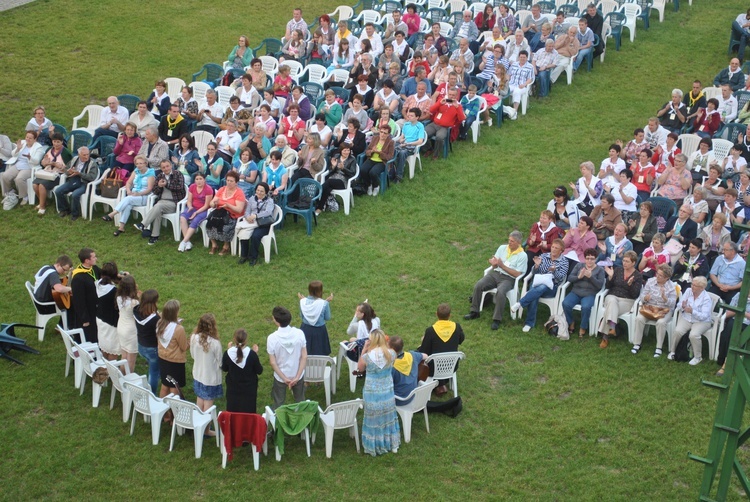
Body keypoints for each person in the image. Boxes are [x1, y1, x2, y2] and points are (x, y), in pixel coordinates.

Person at [465, 230, 528, 330]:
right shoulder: (502, 248)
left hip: (509, 279)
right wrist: (494, 264)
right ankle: (474, 312)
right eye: (509, 240)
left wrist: (502, 266)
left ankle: (496, 319)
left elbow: (517, 274)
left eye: (512, 241)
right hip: (496, 274)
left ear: (518, 243)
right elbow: (495, 265)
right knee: (479, 284)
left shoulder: (523, 255)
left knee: (501, 291)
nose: (509, 242)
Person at [511, 238, 569, 332]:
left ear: (561, 251)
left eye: (556, 248)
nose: (553, 249)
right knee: (535, 293)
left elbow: (561, 278)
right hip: (538, 281)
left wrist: (554, 271)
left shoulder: (564, 262)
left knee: (541, 288)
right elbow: (533, 272)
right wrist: (536, 266)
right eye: (553, 247)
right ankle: (529, 323)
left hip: (551, 288)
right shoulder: (544, 256)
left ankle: (520, 304)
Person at [358, 329, 401, 456]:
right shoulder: (392, 354)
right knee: (388, 417)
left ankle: (374, 446)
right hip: (387, 391)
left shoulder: (366, 357)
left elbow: (360, 369)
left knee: (373, 419)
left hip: (372, 393)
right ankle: (392, 444)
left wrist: (364, 349)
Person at [598, 250, 643, 349]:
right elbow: (608, 286)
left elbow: (635, 295)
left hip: (627, 300)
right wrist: (610, 277)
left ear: (633, 263)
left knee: (611, 308)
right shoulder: (618, 270)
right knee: (612, 302)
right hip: (612, 296)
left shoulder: (638, 276)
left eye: (627, 261)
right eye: (623, 260)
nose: (624, 263)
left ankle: (606, 335)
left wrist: (630, 285)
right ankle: (612, 328)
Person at [135, 159, 186, 245]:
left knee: (158, 206)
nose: (166, 169)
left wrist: (167, 185)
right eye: (163, 167)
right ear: (161, 168)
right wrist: (159, 186)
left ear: (171, 165)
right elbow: (155, 191)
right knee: (158, 209)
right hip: (162, 202)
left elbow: (180, 187)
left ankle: (143, 224)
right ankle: (154, 236)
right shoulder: (159, 176)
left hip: (174, 202)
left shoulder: (178, 174)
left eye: (167, 166)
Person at [418, 303, 465, 395]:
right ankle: (441, 384)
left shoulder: (430, 331)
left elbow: (424, 352)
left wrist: (423, 341)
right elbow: (461, 340)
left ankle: (438, 385)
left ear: (436, 314)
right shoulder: (457, 327)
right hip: (451, 365)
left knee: (417, 354)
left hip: (433, 368)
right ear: (450, 315)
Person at [103, 156, 155, 236]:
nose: (139, 165)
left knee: (128, 199)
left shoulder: (150, 173)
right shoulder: (136, 171)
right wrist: (128, 190)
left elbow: (150, 188)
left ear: (146, 163)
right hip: (133, 195)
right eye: (137, 163)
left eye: (141, 163)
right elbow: (128, 183)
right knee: (128, 204)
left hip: (144, 197)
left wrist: (139, 194)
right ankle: (121, 228)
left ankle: (112, 214)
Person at [632, 264, 677, 357]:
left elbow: (673, 304)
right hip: (650, 308)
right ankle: (637, 344)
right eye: (657, 273)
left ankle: (658, 347)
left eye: (660, 275)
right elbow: (642, 296)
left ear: (667, 278)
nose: (657, 276)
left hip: (664, 310)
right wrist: (645, 298)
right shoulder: (650, 281)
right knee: (639, 319)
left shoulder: (671, 286)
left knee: (661, 323)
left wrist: (665, 298)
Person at [267, 306, 307, 410]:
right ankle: (302, 423)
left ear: (276, 321)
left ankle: (277, 422)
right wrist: (297, 377)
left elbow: (273, 362)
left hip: (280, 376)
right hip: (297, 373)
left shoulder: (272, 338)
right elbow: (304, 356)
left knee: (278, 403)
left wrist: (284, 378)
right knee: (300, 401)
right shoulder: (300, 333)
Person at [562, 248, 605, 338]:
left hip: (589, 293)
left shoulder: (600, 270)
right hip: (576, 291)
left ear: (596, 259)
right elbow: (570, 278)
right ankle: (571, 322)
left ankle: (583, 327)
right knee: (565, 303)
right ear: (585, 259)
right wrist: (579, 277)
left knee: (586, 307)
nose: (589, 260)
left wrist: (591, 277)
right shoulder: (579, 265)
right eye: (587, 258)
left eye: (592, 258)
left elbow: (600, 285)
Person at [669, 276, 713, 365]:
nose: (692, 286)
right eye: (692, 284)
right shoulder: (688, 291)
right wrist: (683, 306)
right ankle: (672, 351)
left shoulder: (706, 298)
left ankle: (698, 357)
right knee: (678, 331)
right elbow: (679, 304)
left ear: (701, 288)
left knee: (694, 335)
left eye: (695, 285)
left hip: (702, 321)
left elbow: (704, 316)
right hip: (687, 317)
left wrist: (693, 311)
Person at [222, 329, 263, 413]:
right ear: (246, 340)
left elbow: (224, 368)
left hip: (233, 390)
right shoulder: (252, 355)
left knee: (233, 412)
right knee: (248, 413)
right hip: (249, 391)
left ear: (234, 340)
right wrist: (255, 354)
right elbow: (259, 370)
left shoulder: (228, 353)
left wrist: (229, 351)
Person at [190, 313, 223, 416]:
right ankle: (205, 429)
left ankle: (198, 425)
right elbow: (220, 362)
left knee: (200, 398)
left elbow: (192, 355)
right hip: (210, 378)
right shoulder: (215, 343)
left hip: (198, 374)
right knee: (208, 403)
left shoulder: (194, 338)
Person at [52, 146, 97, 220]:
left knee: (75, 194)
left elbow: (92, 177)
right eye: (84, 155)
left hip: (85, 183)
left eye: (88, 154)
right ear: (79, 155)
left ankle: (75, 214)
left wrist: (79, 173)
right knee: (58, 191)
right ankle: (65, 209)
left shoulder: (92, 163)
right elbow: (66, 168)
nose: (87, 157)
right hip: (73, 180)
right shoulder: (75, 159)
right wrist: (68, 172)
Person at [207, 171, 246, 256]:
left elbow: (239, 210)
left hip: (232, 215)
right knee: (209, 223)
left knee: (225, 226)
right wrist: (214, 203)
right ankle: (214, 244)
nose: (229, 182)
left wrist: (228, 205)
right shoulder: (222, 189)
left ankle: (226, 246)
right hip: (219, 213)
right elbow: (211, 203)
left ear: (236, 182)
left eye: (231, 181)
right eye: (228, 180)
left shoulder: (239, 193)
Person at [1, 130, 45, 205]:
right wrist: (18, 149)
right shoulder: (23, 142)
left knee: (19, 179)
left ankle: (25, 196)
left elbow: (37, 161)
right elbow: (13, 154)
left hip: (29, 166)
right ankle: (10, 192)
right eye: (27, 137)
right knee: (5, 176)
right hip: (18, 164)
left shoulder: (39, 148)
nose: (27, 139)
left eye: (30, 138)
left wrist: (30, 157)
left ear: (35, 139)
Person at [235, 182, 274, 266]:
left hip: (263, 224)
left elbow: (268, 212)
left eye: (262, 191)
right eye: (258, 190)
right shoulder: (252, 199)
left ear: (266, 192)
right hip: (251, 222)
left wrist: (255, 216)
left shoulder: (269, 201)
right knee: (243, 233)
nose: (259, 193)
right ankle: (244, 255)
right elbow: (247, 211)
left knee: (255, 236)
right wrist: (248, 217)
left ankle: (253, 257)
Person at [157, 299, 188, 399]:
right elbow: (184, 347)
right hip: (175, 362)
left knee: (165, 385)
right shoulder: (179, 329)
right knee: (174, 388)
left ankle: (164, 412)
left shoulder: (159, 323)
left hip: (163, 359)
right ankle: (174, 412)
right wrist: (191, 339)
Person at [33, 132, 71, 215]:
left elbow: (69, 169)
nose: (56, 144)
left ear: (62, 142)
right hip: (47, 172)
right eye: (54, 141)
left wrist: (59, 166)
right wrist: (44, 162)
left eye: (58, 142)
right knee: (35, 185)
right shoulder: (49, 149)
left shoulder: (66, 152)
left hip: (58, 175)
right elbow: (42, 163)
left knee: (42, 185)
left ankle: (42, 207)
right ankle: (43, 202)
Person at [424, 88, 466, 160]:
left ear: (456, 96)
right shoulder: (442, 101)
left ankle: (435, 154)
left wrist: (457, 107)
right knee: (423, 133)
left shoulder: (458, 106)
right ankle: (429, 149)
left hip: (445, 127)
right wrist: (439, 103)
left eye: (453, 95)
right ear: (447, 94)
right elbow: (431, 110)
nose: (451, 96)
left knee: (439, 137)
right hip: (434, 124)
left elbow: (462, 119)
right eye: (450, 94)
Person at [177, 172, 213, 252]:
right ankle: (188, 241)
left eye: (200, 179)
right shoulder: (192, 187)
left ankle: (183, 242)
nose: (199, 181)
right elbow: (189, 201)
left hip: (203, 210)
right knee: (183, 217)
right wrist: (190, 207)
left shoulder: (208, 189)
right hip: (193, 208)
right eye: (197, 179)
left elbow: (206, 205)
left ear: (204, 180)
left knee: (195, 220)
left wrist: (196, 213)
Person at [70, 248, 101, 344]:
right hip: (87, 312)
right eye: (94, 257)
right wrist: (85, 319)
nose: (96, 258)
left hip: (95, 308)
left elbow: (105, 275)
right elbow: (78, 300)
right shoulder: (78, 278)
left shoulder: (94, 269)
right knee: (88, 336)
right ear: (87, 260)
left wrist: (119, 277)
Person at [316, 145, 356, 215]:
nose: (347, 152)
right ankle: (319, 208)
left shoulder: (352, 159)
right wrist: (333, 166)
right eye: (345, 150)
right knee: (327, 188)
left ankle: (315, 195)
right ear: (341, 151)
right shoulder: (337, 157)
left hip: (343, 181)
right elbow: (330, 171)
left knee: (328, 182)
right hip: (333, 179)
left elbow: (352, 174)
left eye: (348, 150)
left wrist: (343, 168)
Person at [134, 289, 161, 393]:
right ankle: (151, 394)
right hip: (152, 349)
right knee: (154, 373)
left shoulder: (135, 310)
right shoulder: (155, 319)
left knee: (153, 369)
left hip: (141, 346)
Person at [32, 255, 73, 322]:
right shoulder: (53, 274)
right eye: (64, 270)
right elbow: (59, 289)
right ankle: (63, 326)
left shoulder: (46, 267)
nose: (65, 272)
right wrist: (70, 289)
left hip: (38, 300)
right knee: (71, 304)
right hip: (45, 306)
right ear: (58, 265)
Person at [298, 280, 333, 356]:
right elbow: (327, 317)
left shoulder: (302, 302)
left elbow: (302, 316)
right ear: (320, 291)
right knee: (320, 351)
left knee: (304, 351)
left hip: (305, 329)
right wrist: (326, 302)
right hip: (319, 331)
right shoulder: (324, 303)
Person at [358, 125, 394, 196]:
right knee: (363, 170)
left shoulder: (390, 142)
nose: (382, 134)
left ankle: (376, 186)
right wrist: (372, 151)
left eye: (385, 133)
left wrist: (380, 153)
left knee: (373, 172)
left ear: (388, 134)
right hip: (371, 159)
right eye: (381, 132)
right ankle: (369, 185)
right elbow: (367, 150)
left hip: (382, 162)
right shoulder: (375, 138)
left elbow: (389, 157)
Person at [388, 336, 426, 404]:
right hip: (412, 395)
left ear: (392, 349)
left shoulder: (391, 366)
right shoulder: (412, 355)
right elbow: (425, 356)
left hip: (398, 399)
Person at [95, 262, 120, 360]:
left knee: (104, 345)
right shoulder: (114, 291)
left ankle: (104, 367)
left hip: (100, 319)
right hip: (111, 322)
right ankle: (110, 371)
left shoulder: (98, 284)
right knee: (113, 349)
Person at [115, 274, 139, 373]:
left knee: (124, 355)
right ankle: (129, 380)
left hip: (121, 327)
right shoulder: (134, 302)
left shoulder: (119, 298)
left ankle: (122, 378)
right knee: (131, 359)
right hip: (131, 331)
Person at [506, 50, 534, 120]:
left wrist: (524, 84)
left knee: (517, 92)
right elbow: (509, 74)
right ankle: (500, 108)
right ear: (519, 57)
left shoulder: (530, 67)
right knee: (503, 89)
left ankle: (514, 111)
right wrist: (506, 81)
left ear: (527, 58)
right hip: (512, 83)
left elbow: (530, 79)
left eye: (524, 57)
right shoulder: (514, 64)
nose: (522, 59)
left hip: (522, 85)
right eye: (521, 57)